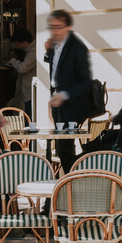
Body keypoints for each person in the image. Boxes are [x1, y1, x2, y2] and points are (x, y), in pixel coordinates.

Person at [44, 9, 93, 173]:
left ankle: (74, 180)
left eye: (58, 27)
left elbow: (86, 82)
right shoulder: (56, 44)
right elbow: (59, 68)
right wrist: (48, 52)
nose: (54, 31)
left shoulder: (77, 47)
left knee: (64, 148)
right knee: (61, 147)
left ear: (68, 27)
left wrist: (63, 95)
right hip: (58, 102)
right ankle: (70, 181)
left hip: (72, 104)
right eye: (51, 27)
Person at [5, 28, 37, 115]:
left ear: (24, 41)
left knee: (30, 117)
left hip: (31, 92)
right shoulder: (30, 50)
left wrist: (12, 61)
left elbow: (23, 68)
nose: (16, 47)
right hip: (28, 91)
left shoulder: (34, 51)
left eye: (17, 44)